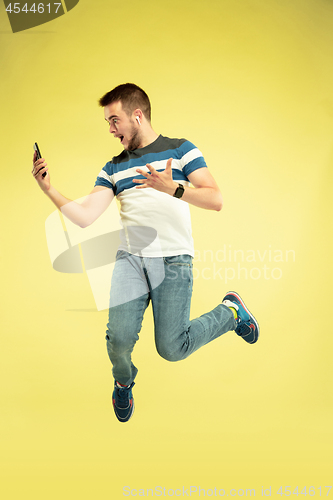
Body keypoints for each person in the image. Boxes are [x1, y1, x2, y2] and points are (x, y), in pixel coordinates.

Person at [32, 83, 259, 423]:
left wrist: (174, 188)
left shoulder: (181, 150)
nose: (110, 130)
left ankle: (231, 312)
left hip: (174, 261)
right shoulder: (112, 168)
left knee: (172, 349)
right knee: (118, 339)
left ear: (136, 116)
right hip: (132, 262)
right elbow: (85, 217)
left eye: (114, 120)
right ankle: (123, 381)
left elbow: (216, 199)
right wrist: (48, 189)